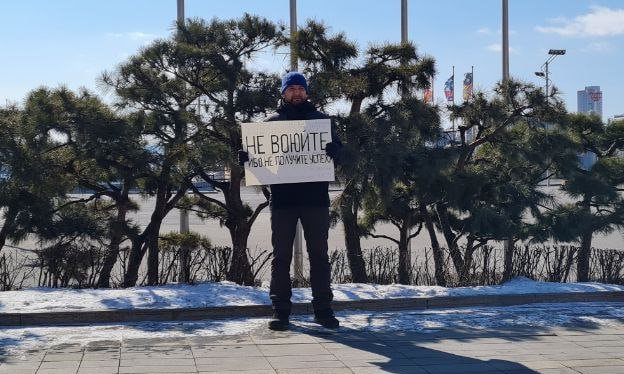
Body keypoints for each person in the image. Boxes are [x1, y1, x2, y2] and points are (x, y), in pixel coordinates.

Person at [239, 71, 341, 331]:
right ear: (283, 93)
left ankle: (323, 309)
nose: (296, 92)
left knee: (319, 256)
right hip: (282, 200)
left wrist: (337, 151)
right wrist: (247, 159)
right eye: (291, 88)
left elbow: (341, 158)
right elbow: (261, 160)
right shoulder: (270, 124)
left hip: (315, 199)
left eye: (300, 88)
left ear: (307, 92)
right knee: (280, 257)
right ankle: (280, 310)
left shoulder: (322, 122)